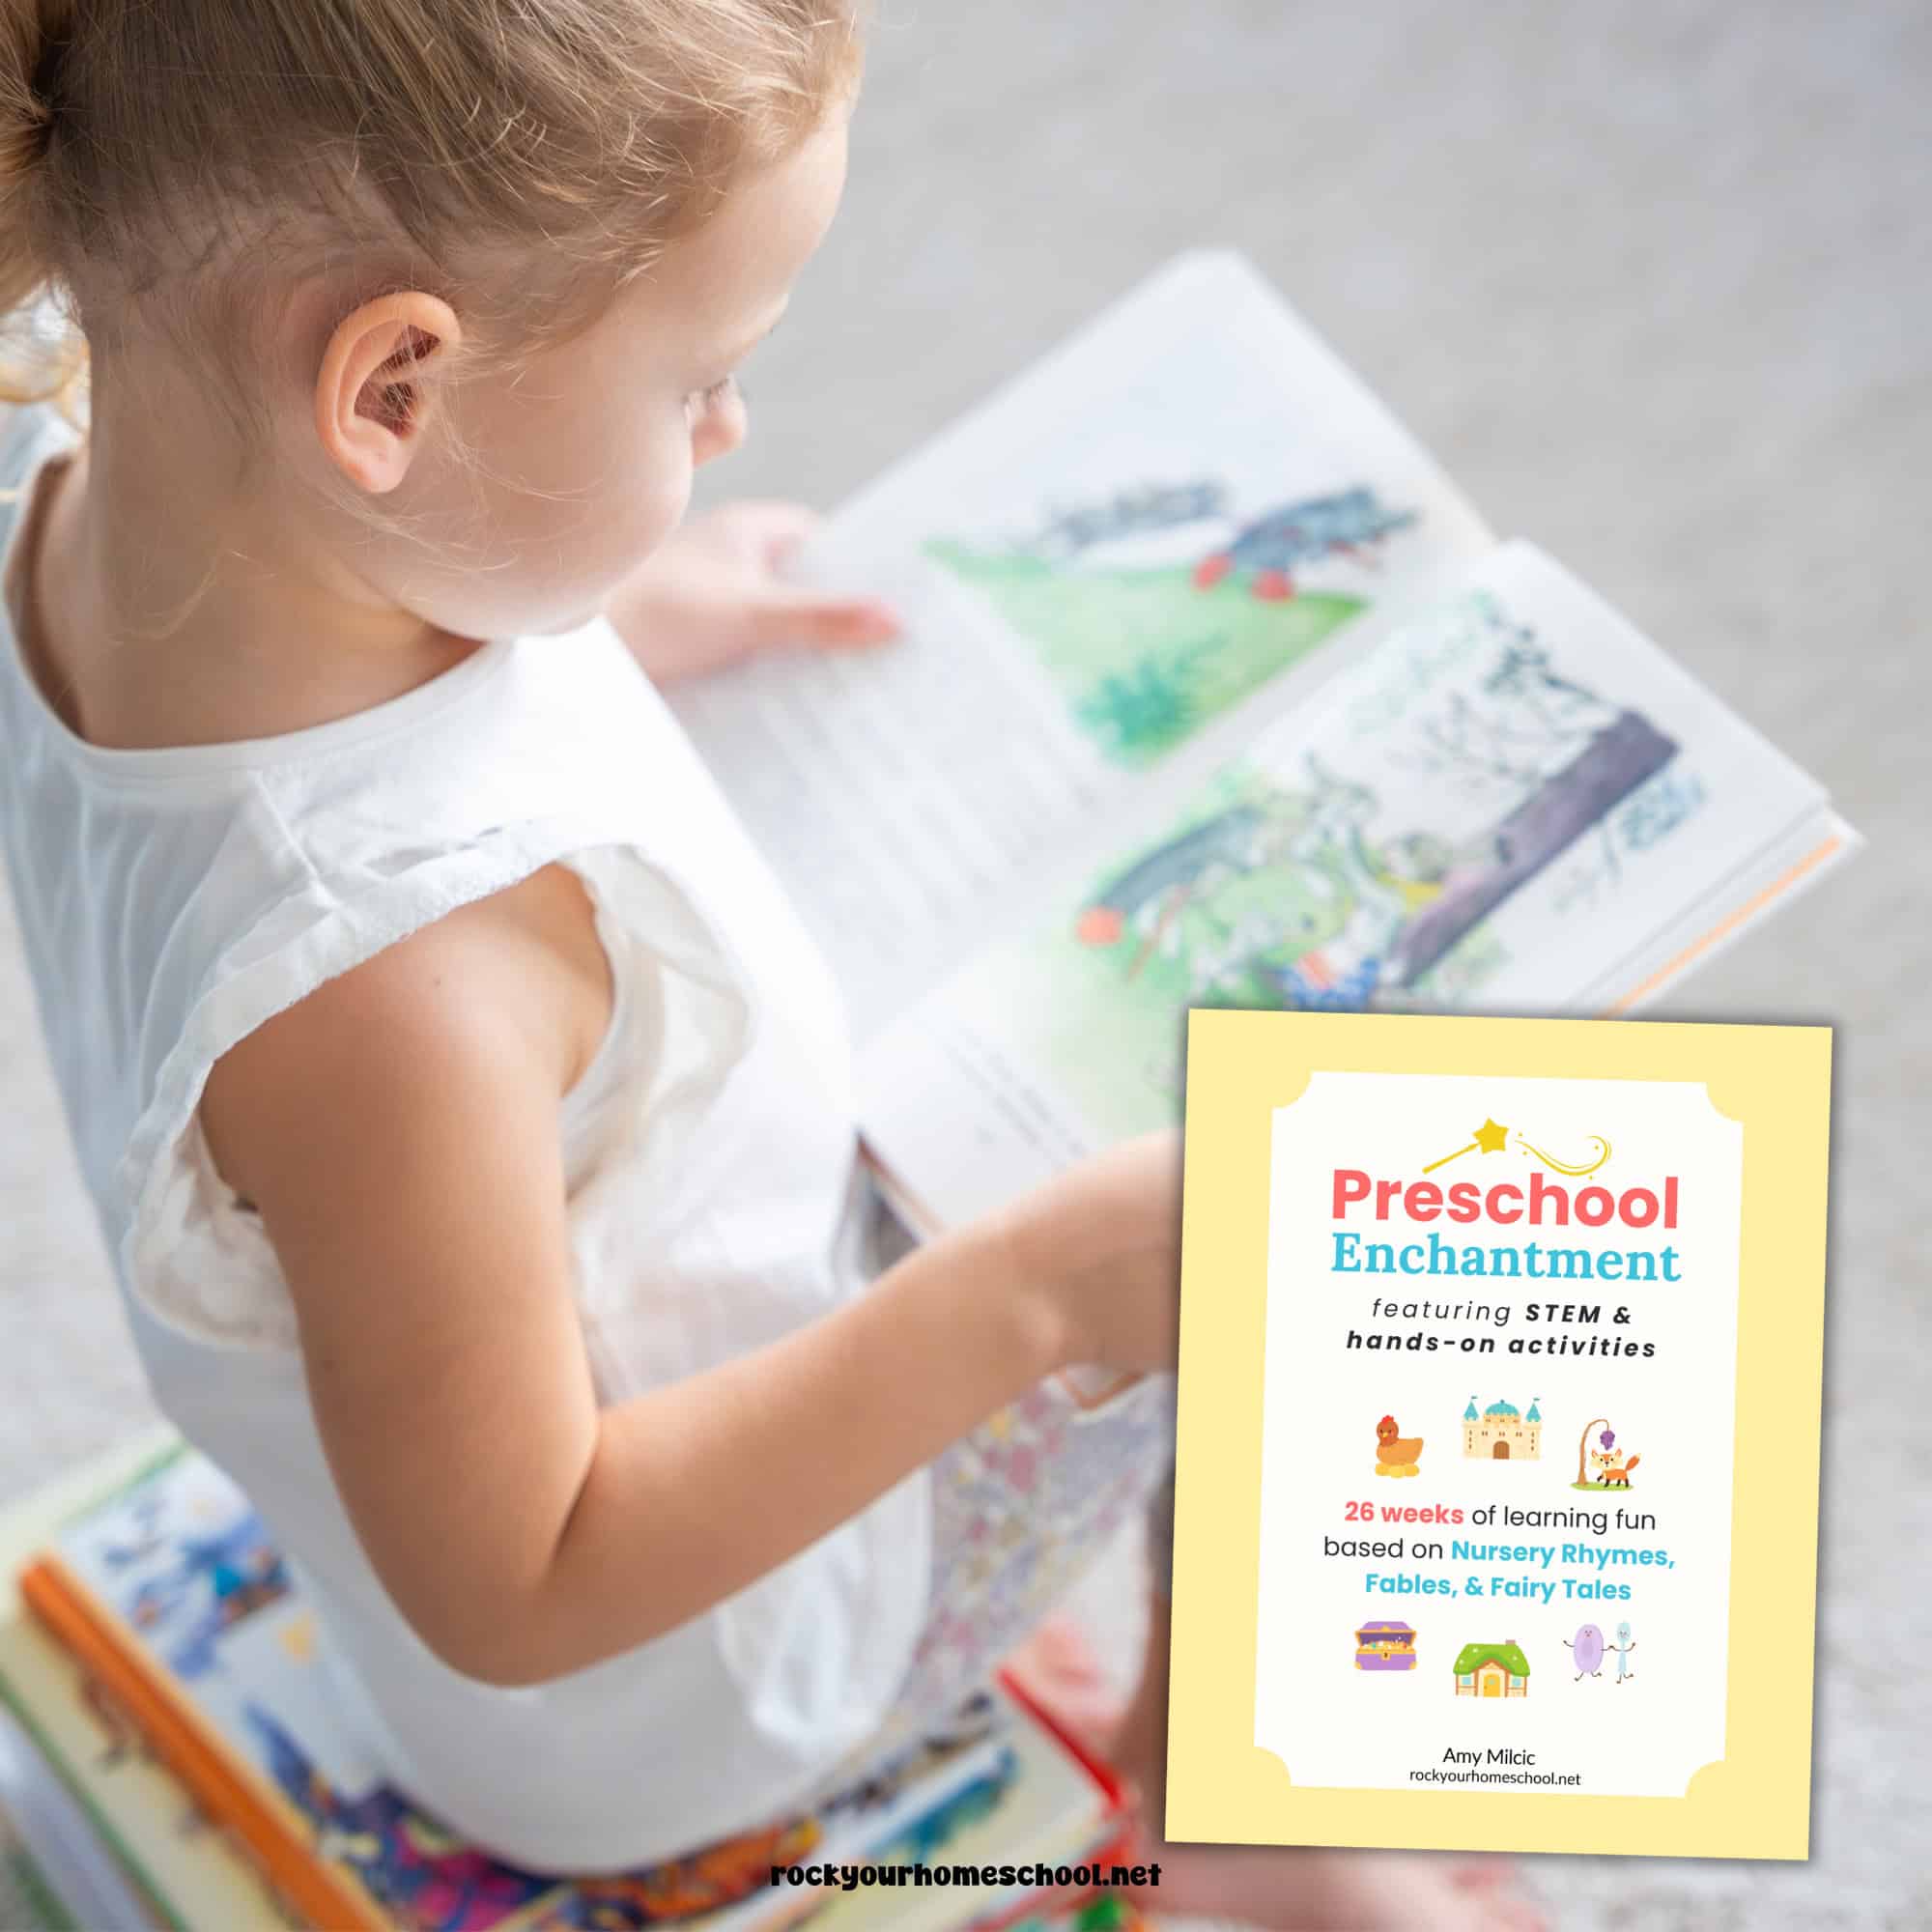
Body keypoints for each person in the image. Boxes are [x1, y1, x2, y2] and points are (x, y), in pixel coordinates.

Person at [0, 6, 1541, 1926]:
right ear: (391, 394)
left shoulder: (88, 481)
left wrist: (624, 609)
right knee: (1353, 1225)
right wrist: (1045, 1293)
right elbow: (523, 1579)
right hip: (697, 1672)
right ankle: (1265, 1828)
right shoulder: (391, 989)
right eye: (699, 381)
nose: (731, 428)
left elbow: (309, 699)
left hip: (638, 1360)